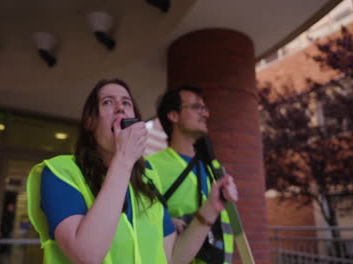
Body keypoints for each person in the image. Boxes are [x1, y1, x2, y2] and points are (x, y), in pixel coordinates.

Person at [27, 79, 238, 264]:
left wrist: (210, 209)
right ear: (90, 122)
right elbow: (87, 254)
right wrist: (124, 159)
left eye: (126, 103)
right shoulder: (60, 172)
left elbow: (171, 257)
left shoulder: (146, 182)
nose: (120, 108)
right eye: (108, 102)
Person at [146, 85, 238, 264]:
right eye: (197, 107)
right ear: (173, 115)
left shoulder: (217, 169)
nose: (205, 114)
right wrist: (161, 222)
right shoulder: (151, 167)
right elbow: (140, 225)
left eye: (205, 108)